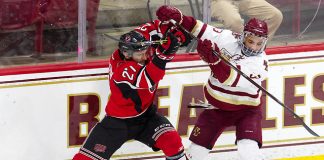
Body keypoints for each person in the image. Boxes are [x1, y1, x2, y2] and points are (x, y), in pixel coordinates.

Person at [156, 5, 269, 160]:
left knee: (249, 151)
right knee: (195, 154)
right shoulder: (227, 38)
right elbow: (199, 28)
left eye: (259, 43)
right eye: (251, 41)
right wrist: (179, 17)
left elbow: (229, 79)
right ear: (243, 36)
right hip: (215, 108)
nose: (254, 47)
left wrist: (214, 62)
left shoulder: (260, 63)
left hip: (246, 111)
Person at [72, 18, 191, 160]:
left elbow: (154, 26)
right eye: (140, 54)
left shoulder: (137, 43)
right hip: (117, 123)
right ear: (127, 54)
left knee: (173, 143)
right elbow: (150, 77)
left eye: (145, 51)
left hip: (147, 117)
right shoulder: (121, 68)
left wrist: (173, 32)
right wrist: (165, 54)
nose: (145, 55)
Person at [211, 0, 282, 40]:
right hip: (220, 1)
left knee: (275, 15)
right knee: (235, 22)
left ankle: (257, 46)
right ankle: (239, 52)